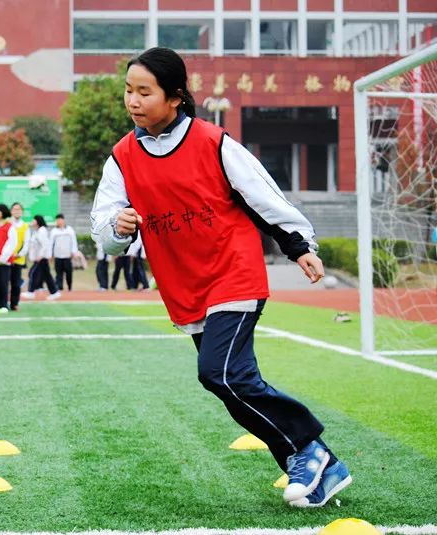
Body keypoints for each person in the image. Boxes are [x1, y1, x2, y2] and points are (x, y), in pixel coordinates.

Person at [91, 47, 347, 508]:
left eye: (144, 92)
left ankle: (310, 449)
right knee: (228, 385)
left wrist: (299, 246)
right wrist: (116, 228)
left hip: (234, 273)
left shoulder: (213, 141)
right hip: (185, 286)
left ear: (175, 97)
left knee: (220, 372)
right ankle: (311, 460)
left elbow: (262, 197)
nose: (132, 100)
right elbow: (104, 230)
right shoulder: (122, 158)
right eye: (128, 90)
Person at [21, 215, 61, 300]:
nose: (32, 221)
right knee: (47, 276)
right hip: (39, 258)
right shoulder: (37, 231)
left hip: (41, 258)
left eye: (34, 220)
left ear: (38, 221)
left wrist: (41, 255)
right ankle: (54, 292)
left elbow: (45, 245)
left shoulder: (42, 231)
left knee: (33, 273)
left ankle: (31, 292)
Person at [8, 202, 31, 311]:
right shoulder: (7, 223)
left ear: (22, 212)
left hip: (18, 259)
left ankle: (14, 304)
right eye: (15, 209)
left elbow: (26, 243)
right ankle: (2, 303)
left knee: (16, 283)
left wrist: (19, 254)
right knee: (3, 282)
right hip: (5, 259)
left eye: (19, 209)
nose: (17, 211)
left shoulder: (25, 226)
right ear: (11, 211)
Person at [50, 214, 78, 291]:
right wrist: (50, 255)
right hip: (58, 256)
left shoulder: (69, 230)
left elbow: (74, 242)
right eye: (57, 220)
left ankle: (69, 287)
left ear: (63, 220)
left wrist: (74, 252)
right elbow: (51, 244)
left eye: (60, 219)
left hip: (67, 256)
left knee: (69, 273)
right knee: (59, 273)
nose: (59, 221)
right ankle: (59, 287)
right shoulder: (54, 231)